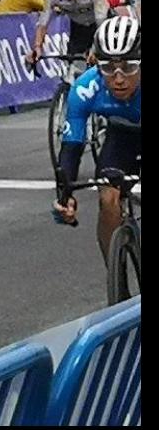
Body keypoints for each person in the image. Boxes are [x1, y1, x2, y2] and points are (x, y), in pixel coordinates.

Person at [52, 16, 141, 264]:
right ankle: (116, 275)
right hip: (122, 134)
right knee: (107, 199)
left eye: (129, 66)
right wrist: (65, 195)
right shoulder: (86, 87)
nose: (119, 78)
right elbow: (72, 146)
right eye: (109, 68)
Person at [27, 0, 111, 66]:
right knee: (74, 65)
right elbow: (42, 24)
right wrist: (37, 47)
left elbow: (101, 24)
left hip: (103, 26)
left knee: (105, 61)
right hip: (79, 27)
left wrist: (95, 49)